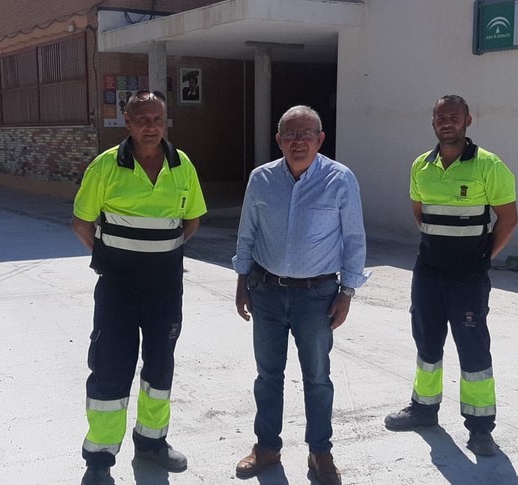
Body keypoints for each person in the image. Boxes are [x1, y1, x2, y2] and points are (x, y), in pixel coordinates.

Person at [71, 90, 207, 485]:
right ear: (126, 123)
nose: (151, 125)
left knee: (160, 368)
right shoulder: (106, 166)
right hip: (117, 291)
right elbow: (82, 223)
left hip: (165, 291)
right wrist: (113, 259)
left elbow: (192, 220)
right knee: (110, 369)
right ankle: (99, 458)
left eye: (158, 118)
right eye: (142, 118)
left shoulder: (182, 166)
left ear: (166, 122)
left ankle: (151, 443)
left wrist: (160, 255)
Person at [232, 105, 368, 485]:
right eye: (290, 134)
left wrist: (348, 291)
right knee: (268, 375)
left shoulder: (340, 180)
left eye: (306, 133)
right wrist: (242, 281)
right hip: (266, 291)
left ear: (320, 139)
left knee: (318, 378)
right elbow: (247, 233)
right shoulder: (261, 179)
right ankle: (267, 447)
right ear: (278, 140)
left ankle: (320, 452)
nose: (298, 141)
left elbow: (354, 239)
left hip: (318, 296)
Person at [383, 95, 518, 456]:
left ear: (467, 121)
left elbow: (509, 219)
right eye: (441, 117)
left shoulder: (489, 166)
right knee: (427, 343)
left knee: (473, 348)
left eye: (454, 117)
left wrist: (481, 258)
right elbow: (420, 214)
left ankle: (480, 429)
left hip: (467, 277)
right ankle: (424, 410)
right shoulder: (421, 166)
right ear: (433, 123)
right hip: (428, 272)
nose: (447, 122)